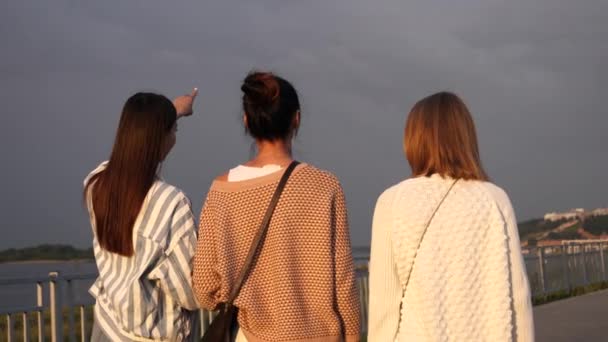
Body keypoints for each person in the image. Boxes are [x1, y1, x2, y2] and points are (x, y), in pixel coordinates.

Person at [192, 71, 361, 342]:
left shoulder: (222, 191)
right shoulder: (324, 186)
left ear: (247, 121)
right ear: (297, 119)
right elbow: (343, 283)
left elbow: (204, 287)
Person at [367, 92, 534, 341]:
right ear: (466, 137)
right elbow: (518, 299)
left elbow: (384, 307)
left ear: (413, 140)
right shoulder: (495, 199)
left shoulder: (391, 202)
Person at [84, 90, 201, 341]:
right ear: (162, 138)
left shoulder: (96, 185)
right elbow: (190, 292)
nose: (175, 138)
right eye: (174, 131)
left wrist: (174, 110)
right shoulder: (172, 204)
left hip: (106, 328)